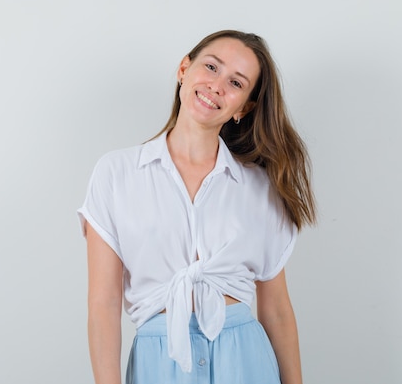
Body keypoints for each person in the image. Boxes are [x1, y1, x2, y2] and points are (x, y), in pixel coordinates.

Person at [78, 30, 316, 384]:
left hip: (245, 361)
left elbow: (277, 310)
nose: (217, 85)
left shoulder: (259, 187)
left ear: (244, 108)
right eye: (210, 67)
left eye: (236, 82)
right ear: (183, 70)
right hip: (159, 363)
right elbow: (104, 304)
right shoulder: (116, 173)